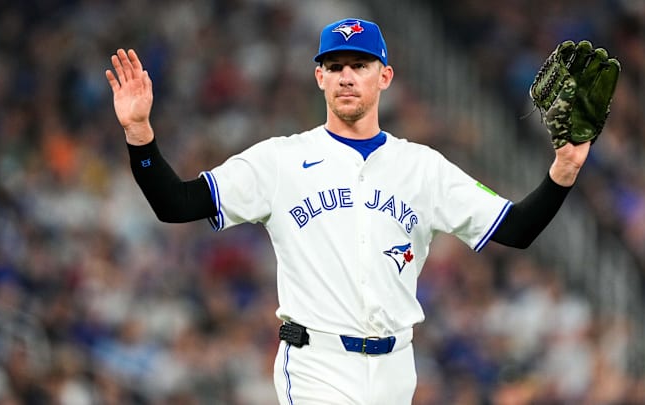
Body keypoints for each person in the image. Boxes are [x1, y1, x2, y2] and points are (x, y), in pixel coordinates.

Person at [106, 17, 590, 405]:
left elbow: (517, 229)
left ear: (385, 75)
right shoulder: (280, 160)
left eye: (359, 64)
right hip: (316, 363)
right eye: (334, 65)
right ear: (319, 76)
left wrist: (564, 169)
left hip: (396, 367)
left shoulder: (421, 167)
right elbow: (176, 204)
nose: (346, 76)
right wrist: (139, 135)